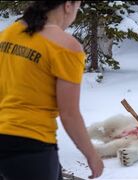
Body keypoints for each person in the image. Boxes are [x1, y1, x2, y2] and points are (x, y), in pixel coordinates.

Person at [0, 1, 104, 180]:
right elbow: (69, 114)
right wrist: (92, 155)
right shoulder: (66, 46)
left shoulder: (8, 34)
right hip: (31, 145)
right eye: (78, 7)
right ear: (68, 6)